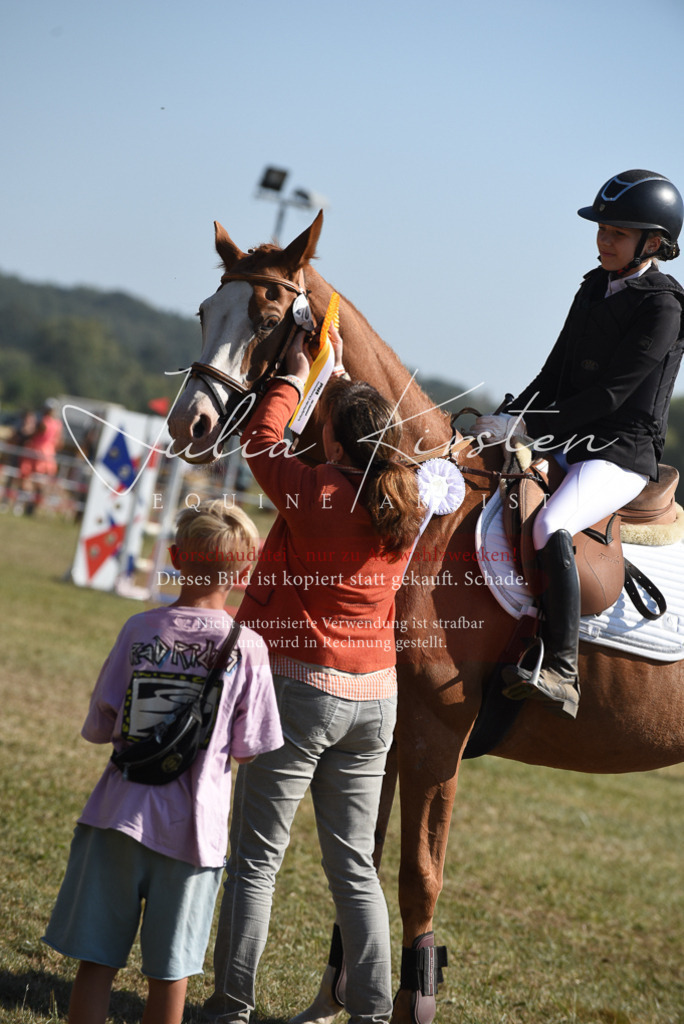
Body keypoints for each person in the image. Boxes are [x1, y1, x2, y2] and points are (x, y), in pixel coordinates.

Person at [204, 326, 423, 1024]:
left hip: (302, 688)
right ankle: (372, 1014)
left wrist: (293, 378)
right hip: (376, 697)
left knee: (256, 862)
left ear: (331, 442)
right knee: (355, 869)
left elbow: (261, 442)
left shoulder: (318, 490)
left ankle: (232, 1006)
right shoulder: (407, 503)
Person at [43, 500, 284, 1024]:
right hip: (194, 835)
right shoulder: (252, 649)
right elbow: (249, 746)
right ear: (244, 572)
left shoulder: (138, 628)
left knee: (96, 961)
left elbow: (98, 728)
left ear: (176, 556)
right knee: (171, 973)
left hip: (116, 817)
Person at [475, 169, 684, 720]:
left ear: (654, 242)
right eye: (602, 229)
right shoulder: (593, 285)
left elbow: (613, 395)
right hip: (572, 437)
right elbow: (554, 372)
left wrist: (534, 431)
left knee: (550, 524)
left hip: (621, 453)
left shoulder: (665, 306)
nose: (603, 240)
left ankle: (561, 669)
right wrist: (507, 416)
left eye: (617, 232)